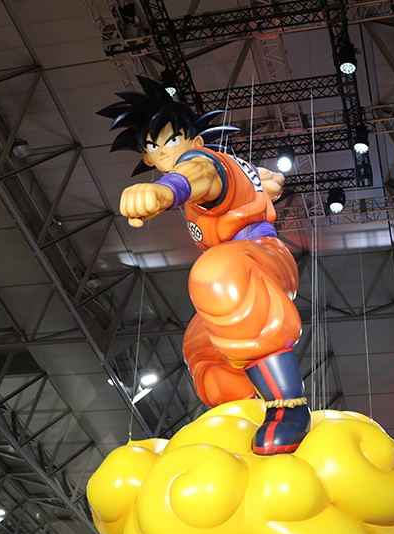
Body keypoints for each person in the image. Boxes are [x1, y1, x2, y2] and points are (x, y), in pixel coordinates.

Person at [97, 77, 310, 455]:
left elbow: (199, 175)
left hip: (256, 255)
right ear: (147, 158)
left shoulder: (201, 161)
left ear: (195, 141)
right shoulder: (233, 165)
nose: (164, 153)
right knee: (201, 342)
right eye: (153, 147)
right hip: (247, 259)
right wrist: (268, 183)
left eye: (172, 140)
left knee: (216, 274)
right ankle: (240, 418)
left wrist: (166, 191)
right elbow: (264, 181)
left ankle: (288, 407)